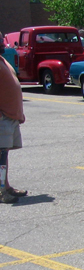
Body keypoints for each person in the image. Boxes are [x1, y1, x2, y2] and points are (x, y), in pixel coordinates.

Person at [0, 49, 27, 203]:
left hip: (10, 117)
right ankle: (2, 191)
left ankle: (6, 186)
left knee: (4, 155)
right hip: (2, 118)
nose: (3, 44)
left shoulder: (3, 60)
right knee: (1, 157)